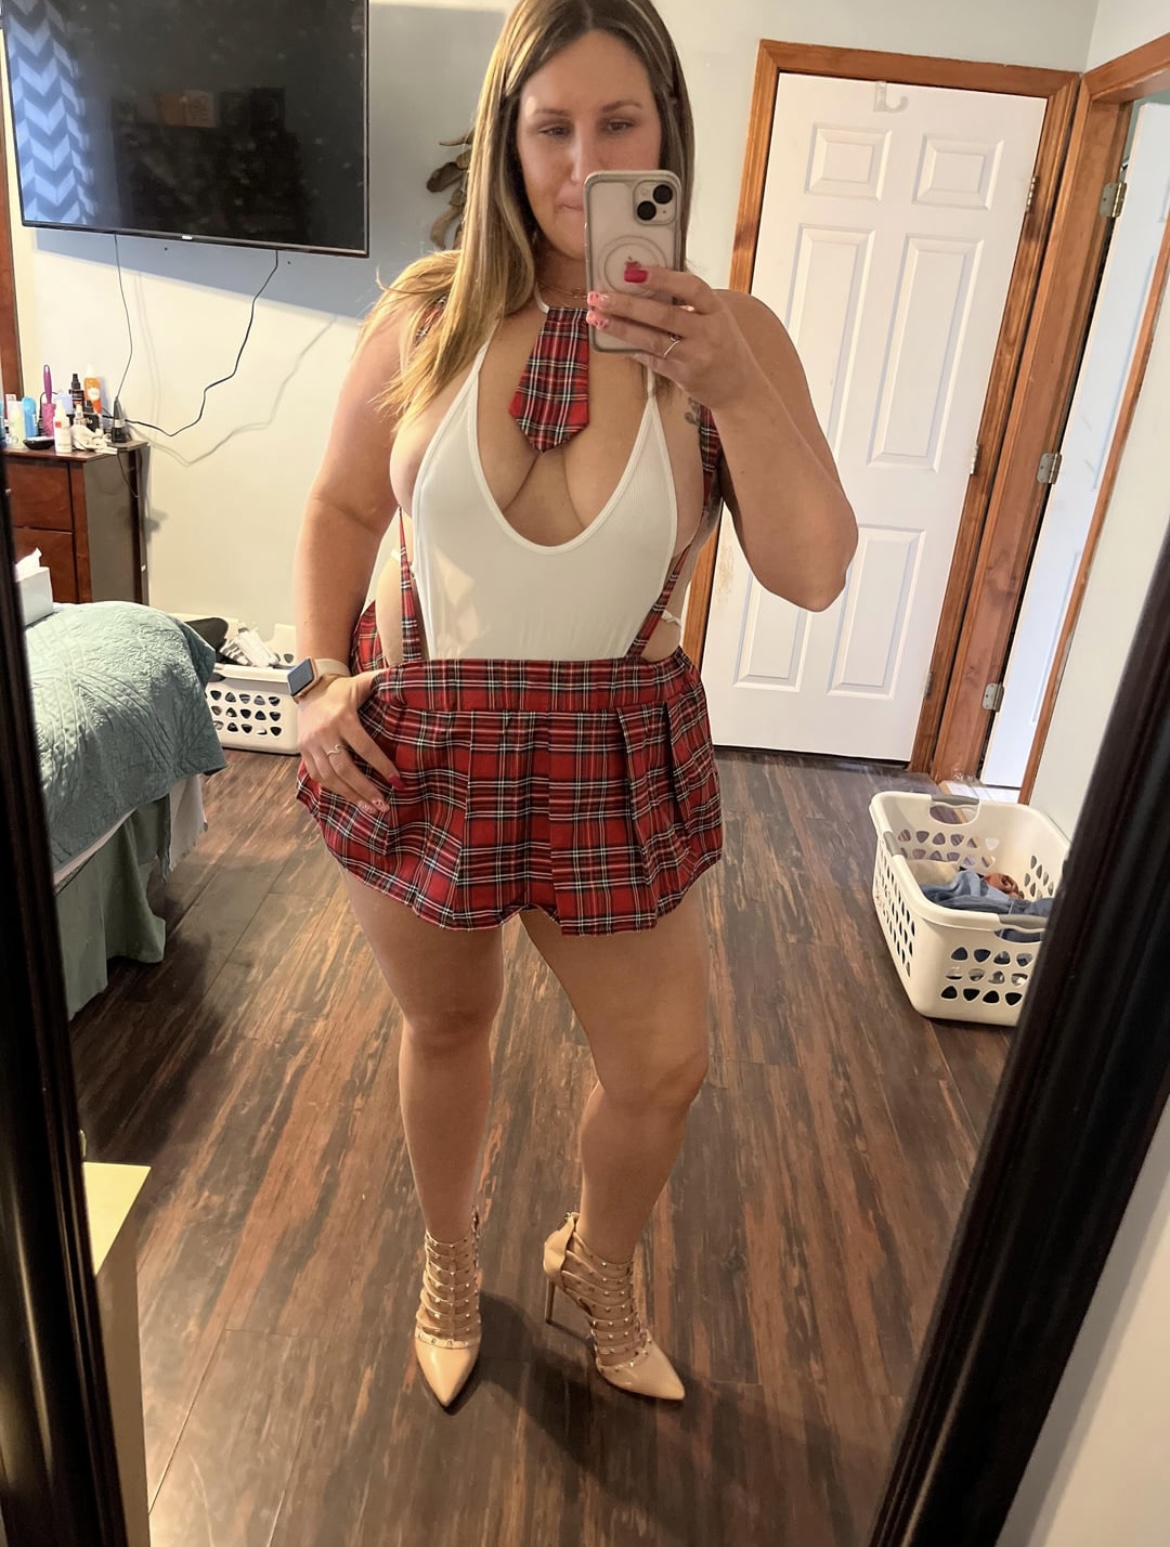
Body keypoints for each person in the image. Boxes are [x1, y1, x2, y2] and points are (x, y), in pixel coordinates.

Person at [292, 0, 856, 1409]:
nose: (582, 163)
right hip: (418, 743)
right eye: (551, 128)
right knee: (446, 1028)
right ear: (506, 137)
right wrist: (309, 675)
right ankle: (446, 1256)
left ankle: (594, 1265)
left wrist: (733, 386)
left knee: (662, 1068)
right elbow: (342, 504)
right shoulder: (426, 316)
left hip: (614, 745)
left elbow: (812, 573)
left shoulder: (731, 337)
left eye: (619, 124)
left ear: (667, 135)